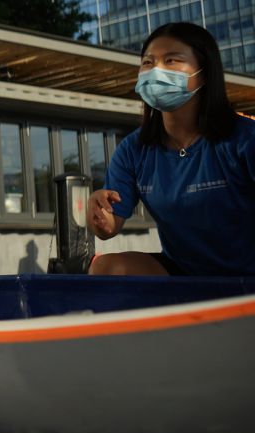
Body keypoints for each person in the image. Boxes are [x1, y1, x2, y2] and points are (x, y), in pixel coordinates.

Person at [87, 22, 255, 276]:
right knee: (106, 268)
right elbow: (109, 227)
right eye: (148, 62)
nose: (156, 71)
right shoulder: (133, 150)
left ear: (204, 72)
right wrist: (97, 211)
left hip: (247, 276)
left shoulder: (244, 138)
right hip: (182, 273)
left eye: (171, 60)